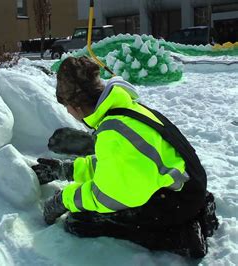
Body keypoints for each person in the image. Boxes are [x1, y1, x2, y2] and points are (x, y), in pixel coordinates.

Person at [32, 56, 219, 258]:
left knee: (80, 221)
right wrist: (67, 170)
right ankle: (198, 208)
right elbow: (119, 165)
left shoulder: (113, 133)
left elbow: (106, 196)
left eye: (66, 105)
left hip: (176, 200)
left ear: (76, 106)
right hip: (190, 184)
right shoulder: (125, 110)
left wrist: (63, 200)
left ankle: (183, 237)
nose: (67, 111)